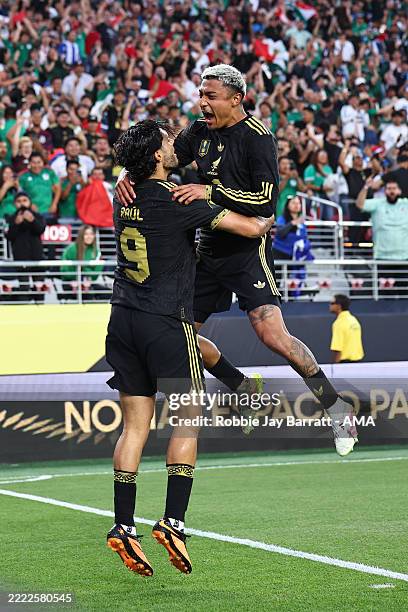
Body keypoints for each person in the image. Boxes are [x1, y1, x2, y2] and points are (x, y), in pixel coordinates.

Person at [116, 64, 358, 457]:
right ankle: (246, 389)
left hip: (247, 250)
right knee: (181, 337)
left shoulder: (258, 138)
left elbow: (265, 205)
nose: (202, 102)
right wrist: (128, 174)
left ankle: (335, 406)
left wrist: (209, 189)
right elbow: (161, 159)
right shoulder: (199, 130)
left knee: (273, 337)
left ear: (236, 98)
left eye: (210, 96)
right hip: (207, 248)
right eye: (200, 93)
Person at [106, 121, 275, 577]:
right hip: (165, 320)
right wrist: (261, 213)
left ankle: (123, 526)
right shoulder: (178, 199)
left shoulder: (123, 196)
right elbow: (252, 226)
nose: (173, 143)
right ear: (157, 157)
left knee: (134, 428)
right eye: (166, 140)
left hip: (121, 320)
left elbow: (138, 183)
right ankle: (174, 522)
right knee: (187, 421)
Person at [356, 179, 408, 296]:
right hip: (383, 257)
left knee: (405, 295)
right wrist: (365, 187)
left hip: (404, 258)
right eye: (389, 189)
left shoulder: (405, 203)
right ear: (385, 191)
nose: (392, 191)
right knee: (385, 295)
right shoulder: (378, 203)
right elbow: (360, 204)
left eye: (394, 189)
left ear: (399, 191)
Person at [6, 191, 46, 299]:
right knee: (23, 289)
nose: (22, 204)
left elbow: (41, 230)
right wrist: (15, 224)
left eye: (24, 200)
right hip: (20, 259)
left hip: (37, 258)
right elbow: (9, 236)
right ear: (15, 204)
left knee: (39, 289)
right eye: (19, 201)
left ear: (29, 202)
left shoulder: (37, 216)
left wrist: (32, 220)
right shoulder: (11, 218)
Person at [273, 195, 314, 297]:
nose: (297, 205)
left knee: (292, 281)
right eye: (293, 203)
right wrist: (293, 223)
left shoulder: (302, 222)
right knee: (276, 280)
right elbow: (280, 233)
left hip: (295, 256)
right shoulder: (282, 219)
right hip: (280, 253)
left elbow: (304, 237)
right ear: (287, 205)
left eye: (298, 203)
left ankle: (291, 300)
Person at [60, 225, 106, 301]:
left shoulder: (96, 252)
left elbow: (95, 276)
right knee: (88, 293)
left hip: (88, 283)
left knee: (108, 293)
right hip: (70, 282)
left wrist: (83, 270)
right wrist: (77, 277)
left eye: (91, 234)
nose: (89, 236)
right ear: (81, 235)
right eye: (86, 234)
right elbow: (64, 271)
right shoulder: (71, 249)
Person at [19, 152, 61, 216]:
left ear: (43, 162)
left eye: (39, 162)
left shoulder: (50, 172)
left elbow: (58, 189)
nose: (36, 166)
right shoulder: (23, 176)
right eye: (34, 163)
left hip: (49, 210)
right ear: (29, 163)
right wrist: (30, 204)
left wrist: (54, 204)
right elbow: (20, 193)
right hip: (31, 212)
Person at [329, 295, 364, 363]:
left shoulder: (338, 323)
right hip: (358, 362)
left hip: (344, 363)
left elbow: (337, 348)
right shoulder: (354, 320)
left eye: (332, 303)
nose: (330, 305)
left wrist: (335, 366)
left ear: (339, 306)